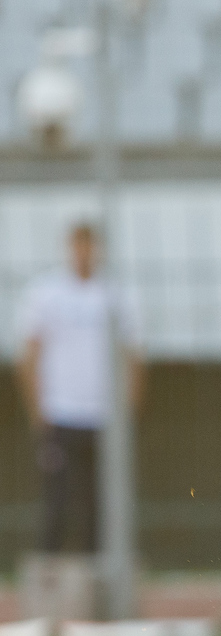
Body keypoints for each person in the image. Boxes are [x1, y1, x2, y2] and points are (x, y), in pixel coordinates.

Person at [16, 222, 143, 576]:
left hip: (103, 417)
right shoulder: (46, 293)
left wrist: (129, 410)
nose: (85, 253)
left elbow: (133, 356)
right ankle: (49, 579)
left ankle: (98, 579)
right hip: (61, 413)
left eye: (91, 245)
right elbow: (29, 355)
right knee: (57, 500)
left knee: (99, 503)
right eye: (79, 245)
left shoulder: (116, 295)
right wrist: (37, 409)